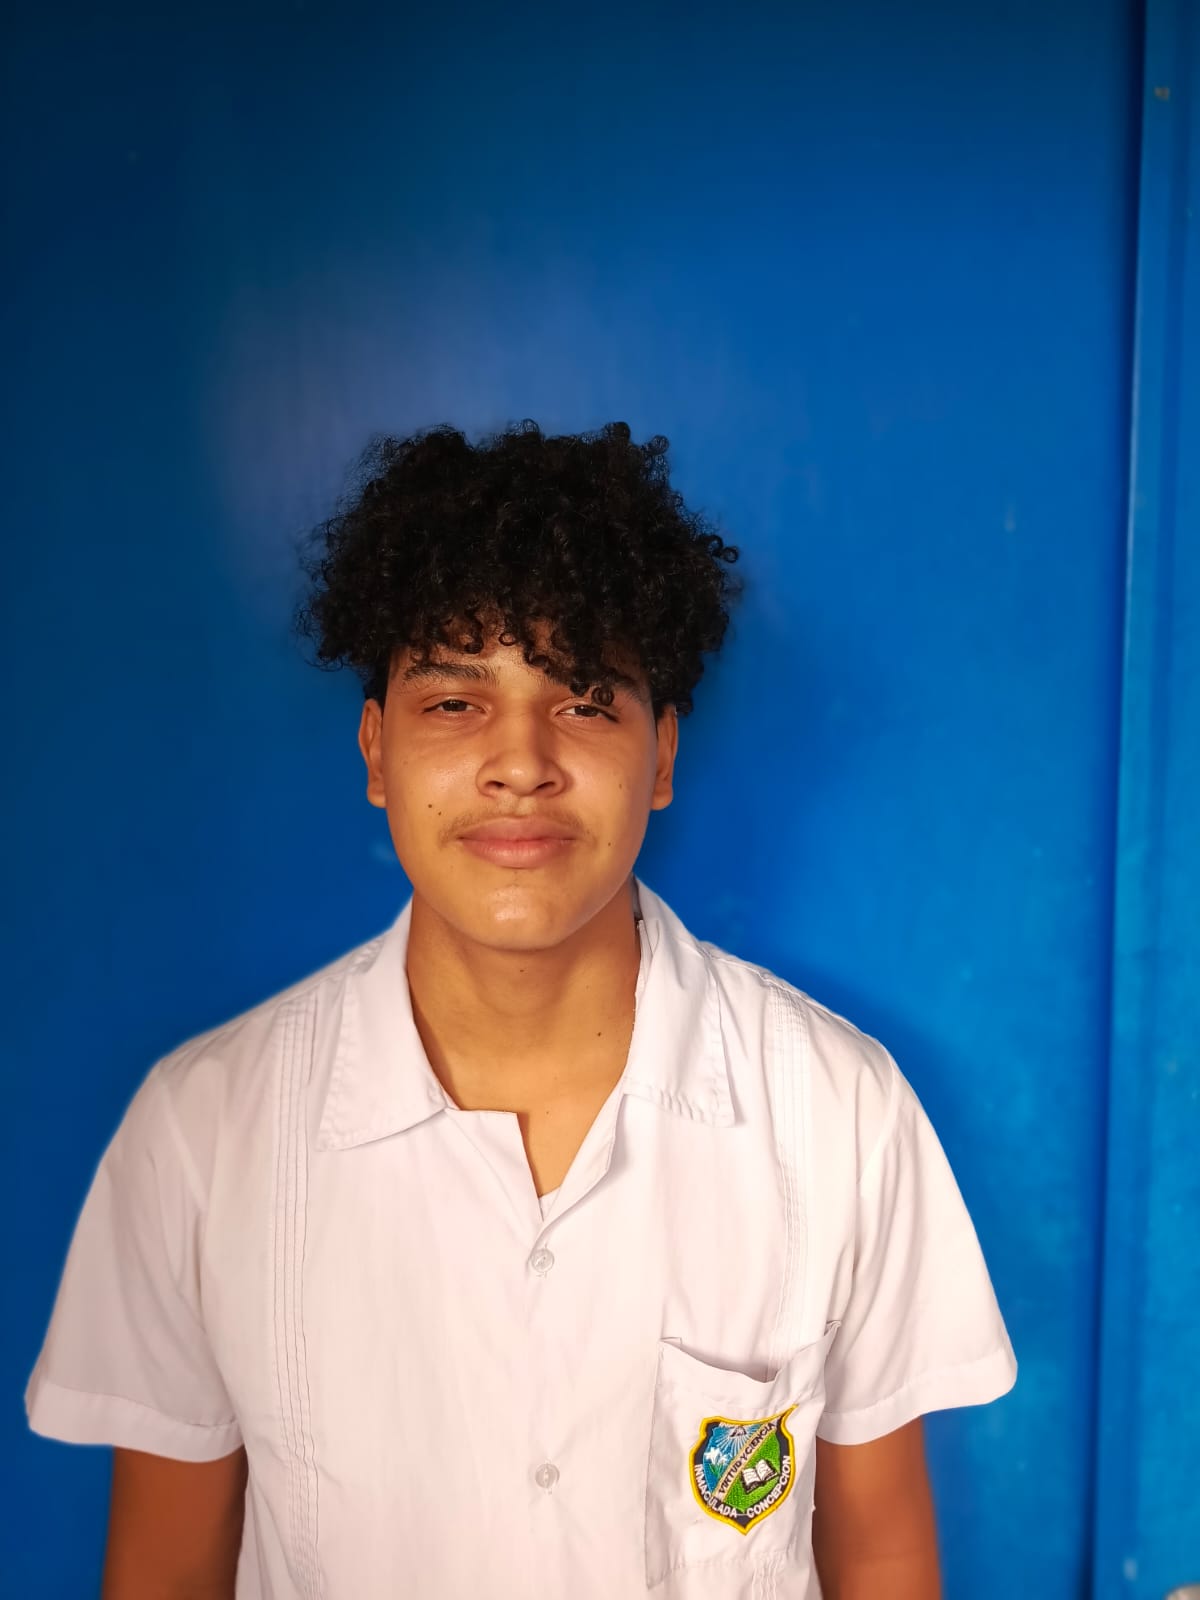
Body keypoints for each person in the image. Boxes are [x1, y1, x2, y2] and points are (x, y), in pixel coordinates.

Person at [25, 420, 1016, 1598]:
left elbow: (883, 1550)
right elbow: (163, 1566)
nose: (520, 762)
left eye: (585, 701)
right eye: (455, 702)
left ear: (661, 756)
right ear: (376, 750)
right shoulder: (201, 1133)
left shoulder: (839, 1110)